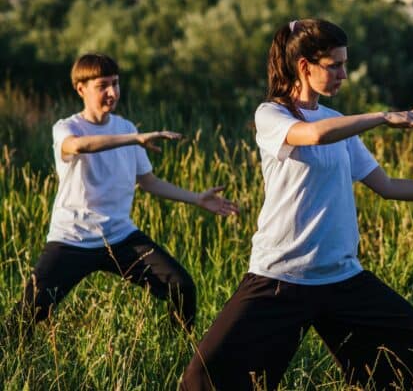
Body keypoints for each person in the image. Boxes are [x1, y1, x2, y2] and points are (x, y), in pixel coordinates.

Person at [181, 19, 413, 390]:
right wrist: (382, 117)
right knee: (204, 376)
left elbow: (386, 185)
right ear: (304, 67)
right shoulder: (271, 115)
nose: (344, 74)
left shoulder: (338, 122)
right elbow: (313, 136)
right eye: (334, 65)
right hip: (280, 277)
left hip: (341, 278)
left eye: (344, 64)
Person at [7, 53, 239, 336]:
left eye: (115, 84)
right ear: (81, 89)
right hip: (72, 238)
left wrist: (196, 198)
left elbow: (148, 181)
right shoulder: (67, 128)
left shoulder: (126, 128)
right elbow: (79, 147)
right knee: (28, 314)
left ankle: (179, 350)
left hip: (120, 238)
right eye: (103, 85)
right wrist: (135, 139)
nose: (112, 92)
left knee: (182, 287)